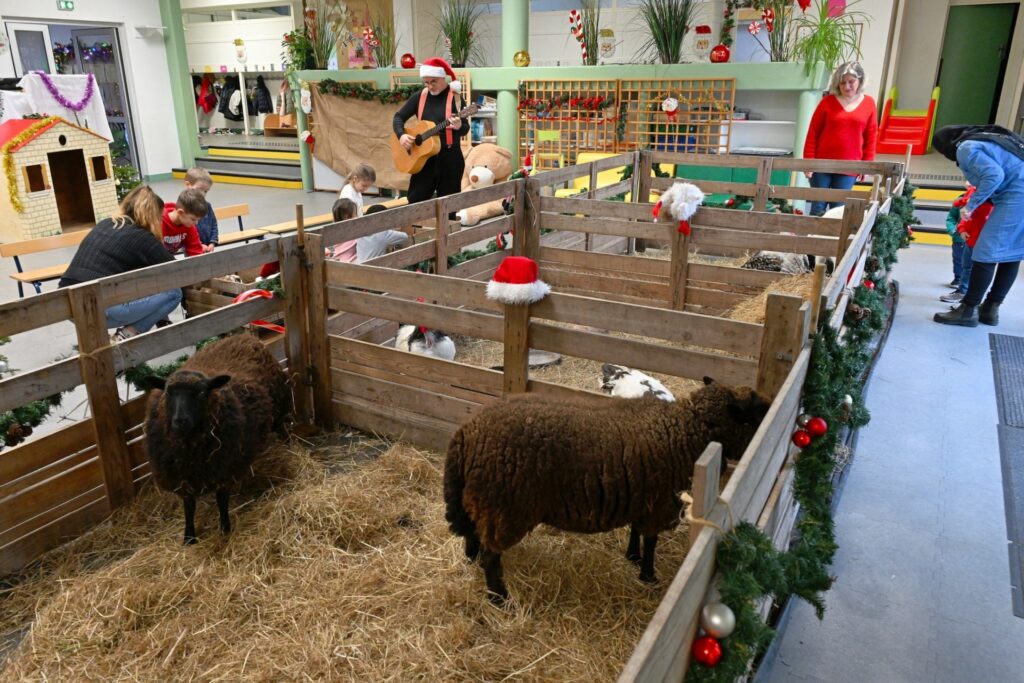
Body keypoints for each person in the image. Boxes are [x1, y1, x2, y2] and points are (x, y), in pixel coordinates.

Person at [59, 186, 182, 342]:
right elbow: (176, 271)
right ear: (153, 216)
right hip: (99, 308)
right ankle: (125, 335)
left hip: (70, 307)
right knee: (174, 293)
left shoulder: (105, 224)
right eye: (159, 218)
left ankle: (124, 335)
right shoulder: (143, 237)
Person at [932, 124, 1024, 326]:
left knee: (984, 252)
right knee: (1011, 253)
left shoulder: (965, 147)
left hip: (1017, 195)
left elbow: (994, 176)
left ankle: (968, 310)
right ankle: (990, 309)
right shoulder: (986, 139)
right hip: (1019, 192)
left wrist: (971, 206)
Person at [803, 61, 877, 216]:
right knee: (818, 207)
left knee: (838, 209)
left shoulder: (869, 103)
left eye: (851, 82)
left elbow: (870, 137)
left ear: (860, 81)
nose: (847, 86)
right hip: (821, 164)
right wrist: (809, 162)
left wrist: (867, 165)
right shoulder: (827, 102)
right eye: (843, 83)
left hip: (850, 166)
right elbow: (813, 133)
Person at [392, 57, 466, 205]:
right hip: (423, 159)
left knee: (449, 205)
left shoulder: (455, 98)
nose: (430, 86)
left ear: (443, 78)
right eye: (426, 82)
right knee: (415, 201)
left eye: (433, 81)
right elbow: (398, 117)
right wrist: (401, 135)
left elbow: (465, 128)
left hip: (449, 159)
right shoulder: (420, 97)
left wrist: (459, 126)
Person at [940, 184, 993, 304]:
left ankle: (971, 297)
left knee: (978, 269)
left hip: (983, 242)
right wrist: (961, 229)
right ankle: (962, 290)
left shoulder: (992, 201)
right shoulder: (970, 195)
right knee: (964, 264)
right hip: (968, 240)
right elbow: (963, 216)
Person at [161, 188, 208, 257]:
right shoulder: (159, 224)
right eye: (193, 219)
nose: (196, 223)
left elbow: (195, 250)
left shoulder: (189, 227)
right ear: (180, 212)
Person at [184, 167, 218, 252]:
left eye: (206, 191)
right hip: (193, 247)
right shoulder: (184, 207)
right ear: (188, 185)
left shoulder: (207, 206)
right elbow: (185, 232)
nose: (203, 194)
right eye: (200, 189)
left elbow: (214, 224)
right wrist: (198, 244)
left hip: (208, 246)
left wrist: (212, 242)